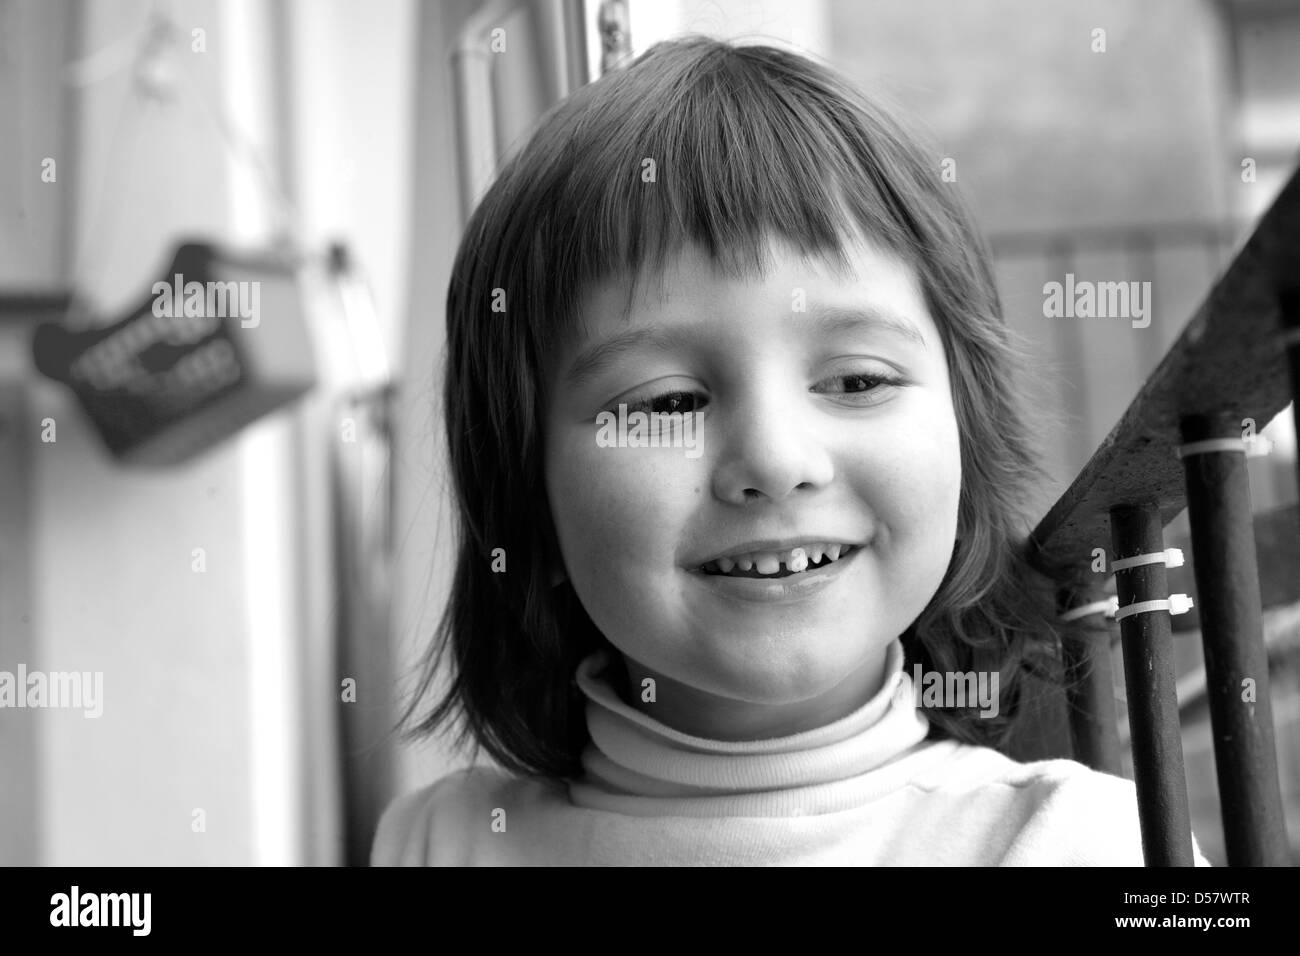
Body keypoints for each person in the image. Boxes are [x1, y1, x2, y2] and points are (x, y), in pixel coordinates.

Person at [372, 35, 1209, 866]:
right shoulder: (436, 843)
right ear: (529, 502)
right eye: (668, 402)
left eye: (856, 382)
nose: (776, 460)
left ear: (963, 443)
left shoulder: (1083, 846)